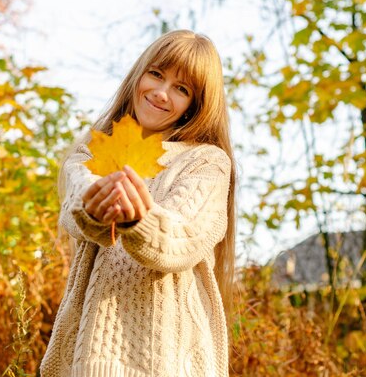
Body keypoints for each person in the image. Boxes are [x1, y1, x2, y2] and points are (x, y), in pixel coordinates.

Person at [41, 29, 236, 377]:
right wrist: (95, 209)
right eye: (157, 74)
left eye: (182, 88)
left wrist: (139, 218)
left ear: (196, 104)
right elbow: (78, 206)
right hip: (91, 356)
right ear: (139, 74)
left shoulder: (206, 163)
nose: (161, 93)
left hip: (170, 360)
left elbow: (181, 238)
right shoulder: (93, 150)